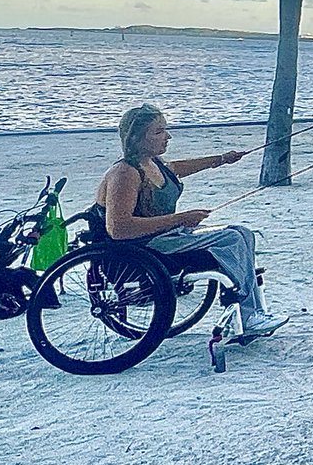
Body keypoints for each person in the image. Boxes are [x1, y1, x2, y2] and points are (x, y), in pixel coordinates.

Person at [95, 104, 287, 336]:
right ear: (135, 138)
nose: (167, 136)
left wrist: (221, 159)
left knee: (242, 233)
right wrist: (180, 219)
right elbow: (119, 229)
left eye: (165, 129)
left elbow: (177, 168)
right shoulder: (125, 173)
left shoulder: (153, 164)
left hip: (166, 237)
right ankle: (248, 316)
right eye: (158, 132)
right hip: (143, 246)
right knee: (231, 239)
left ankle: (253, 312)